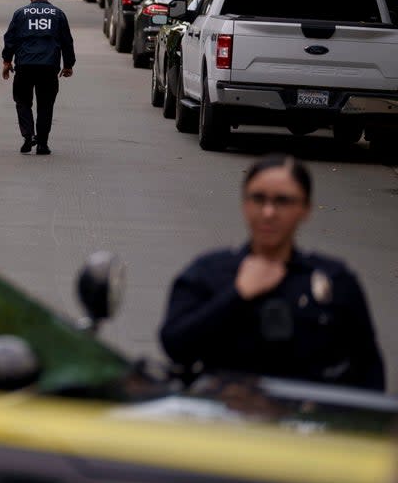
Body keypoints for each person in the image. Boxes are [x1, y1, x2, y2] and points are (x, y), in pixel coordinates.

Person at [160, 155, 385, 391]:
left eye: (283, 201)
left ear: (305, 209)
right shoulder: (210, 273)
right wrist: (238, 294)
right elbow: (175, 344)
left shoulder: (334, 282)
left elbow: (368, 370)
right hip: (225, 419)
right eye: (258, 199)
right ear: (245, 205)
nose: (269, 212)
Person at [0, 0, 75, 155]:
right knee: (45, 105)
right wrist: (69, 64)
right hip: (49, 67)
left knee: (22, 101)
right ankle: (42, 144)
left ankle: (28, 135)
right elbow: (67, 42)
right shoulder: (58, 14)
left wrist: (7, 61)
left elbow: (10, 40)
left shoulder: (20, 14)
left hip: (24, 66)